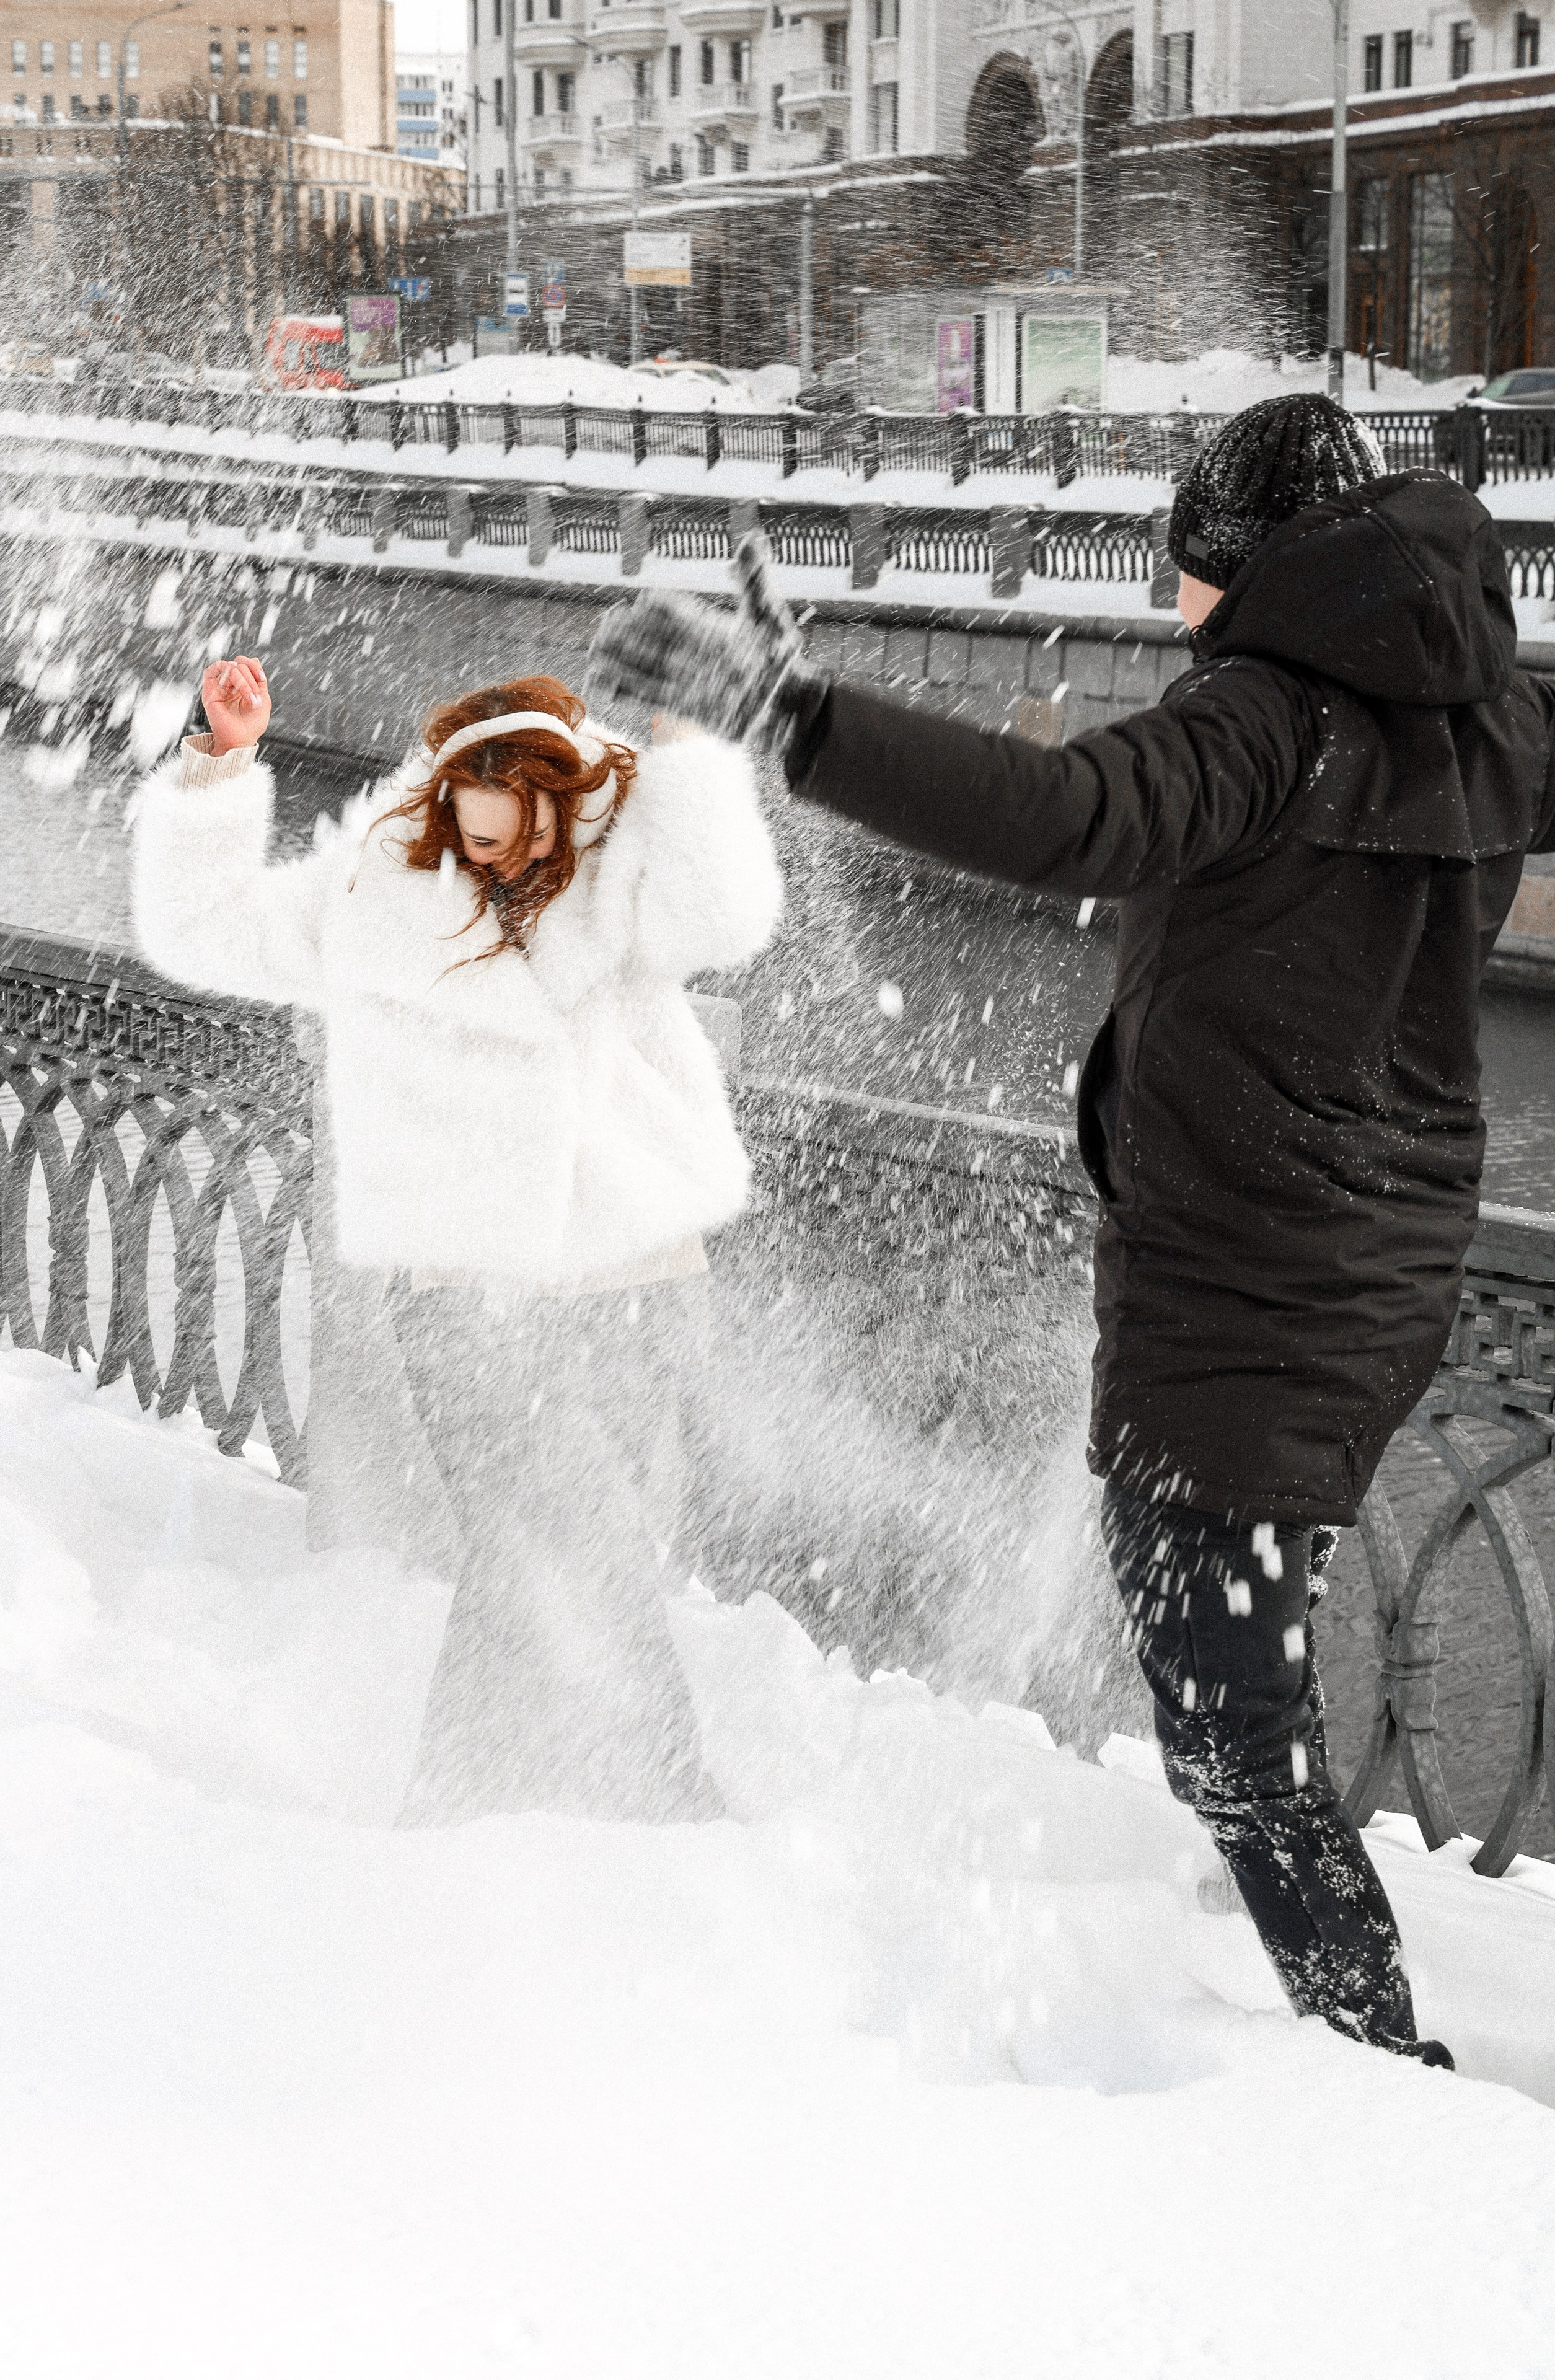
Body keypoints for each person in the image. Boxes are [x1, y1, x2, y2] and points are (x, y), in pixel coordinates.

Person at [586, 392, 1555, 2061]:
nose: (1174, 604)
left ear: (1246, 561)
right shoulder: (1485, 715)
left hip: (1254, 1275)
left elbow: (1060, 814)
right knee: (1226, 1673)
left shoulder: (1264, 720)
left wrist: (793, 718)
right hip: (1378, 1259)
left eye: (1188, 569)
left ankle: (1372, 2070)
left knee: (1229, 1723)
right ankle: (1319, 2009)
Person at [133, 658, 782, 1822]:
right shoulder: (373, 892)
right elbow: (205, 931)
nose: (503, 865)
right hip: (461, 1288)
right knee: (565, 1529)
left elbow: (727, 916)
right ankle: (665, 1794)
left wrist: (690, 757)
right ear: (443, 816)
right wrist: (220, 765)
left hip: (627, 1277)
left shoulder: (629, 865)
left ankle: (464, 1800)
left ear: (568, 808)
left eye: (526, 842)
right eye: (478, 842)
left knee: (538, 1543)